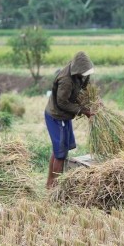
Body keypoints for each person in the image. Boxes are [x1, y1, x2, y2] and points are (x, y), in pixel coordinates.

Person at [45, 51, 95, 189]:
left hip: (65, 116)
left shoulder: (81, 74)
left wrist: (94, 102)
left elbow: (85, 89)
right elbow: (62, 103)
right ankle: (54, 187)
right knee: (60, 154)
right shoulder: (66, 80)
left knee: (61, 150)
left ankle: (50, 183)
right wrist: (84, 111)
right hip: (56, 116)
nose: (87, 75)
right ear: (78, 70)